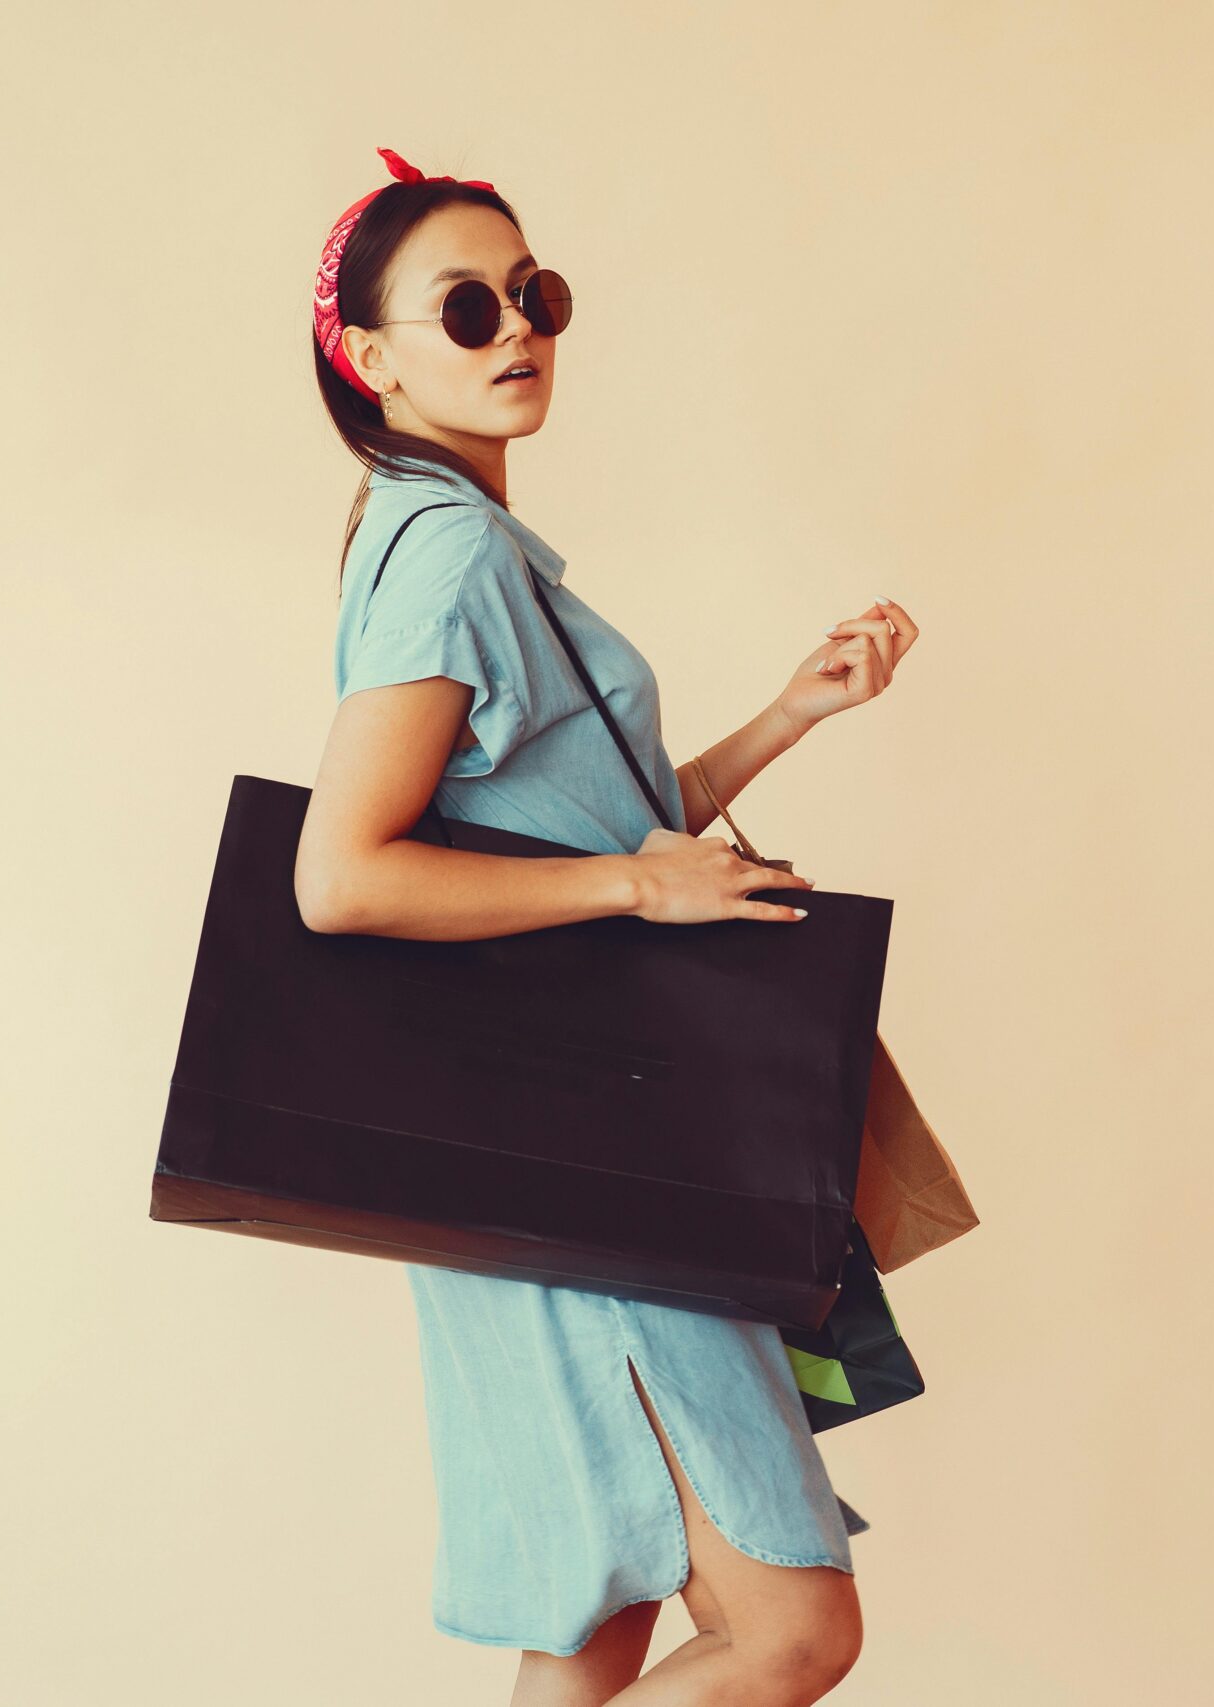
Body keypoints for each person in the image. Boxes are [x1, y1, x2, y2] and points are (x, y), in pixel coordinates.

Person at [289, 147, 918, 1706]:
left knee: (597, 1631)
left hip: (554, 1170)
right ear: (368, 358)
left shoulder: (451, 541)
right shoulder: (445, 553)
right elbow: (343, 874)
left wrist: (783, 718)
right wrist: (641, 883)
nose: (516, 328)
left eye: (534, 294)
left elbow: (571, 829)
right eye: (465, 305)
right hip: (588, 1188)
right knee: (791, 1630)